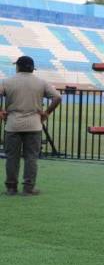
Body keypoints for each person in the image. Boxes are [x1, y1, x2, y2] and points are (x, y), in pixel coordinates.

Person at [0, 56, 61, 195]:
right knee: (31, 158)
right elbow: (57, 97)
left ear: (18, 67)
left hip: (13, 125)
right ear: (32, 68)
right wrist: (46, 113)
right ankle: (28, 188)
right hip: (34, 125)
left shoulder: (7, 81)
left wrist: (1, 111)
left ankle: (11, 188)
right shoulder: (41, 82)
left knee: (12, 157)